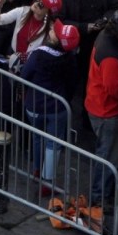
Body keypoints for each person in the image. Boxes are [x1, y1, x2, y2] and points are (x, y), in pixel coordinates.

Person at [84, 8, 118, 208]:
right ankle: (99, 198)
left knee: (108, 153)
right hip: (107, 112)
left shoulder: (107, 39)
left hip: (100, 105)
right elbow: (113, 88)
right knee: (107, 158)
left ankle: (105, 191)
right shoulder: (110, 55)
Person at [21, 19, 78, 191]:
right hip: (59, 108)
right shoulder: (70, 58)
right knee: (53, 144)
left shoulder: (38, 55)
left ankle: (38, 171)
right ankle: (47, 181)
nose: (52, 29)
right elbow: (72, 84)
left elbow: (24, 76)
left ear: (57, 40)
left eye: (55, 31)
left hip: (35, 106)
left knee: (38, 138)